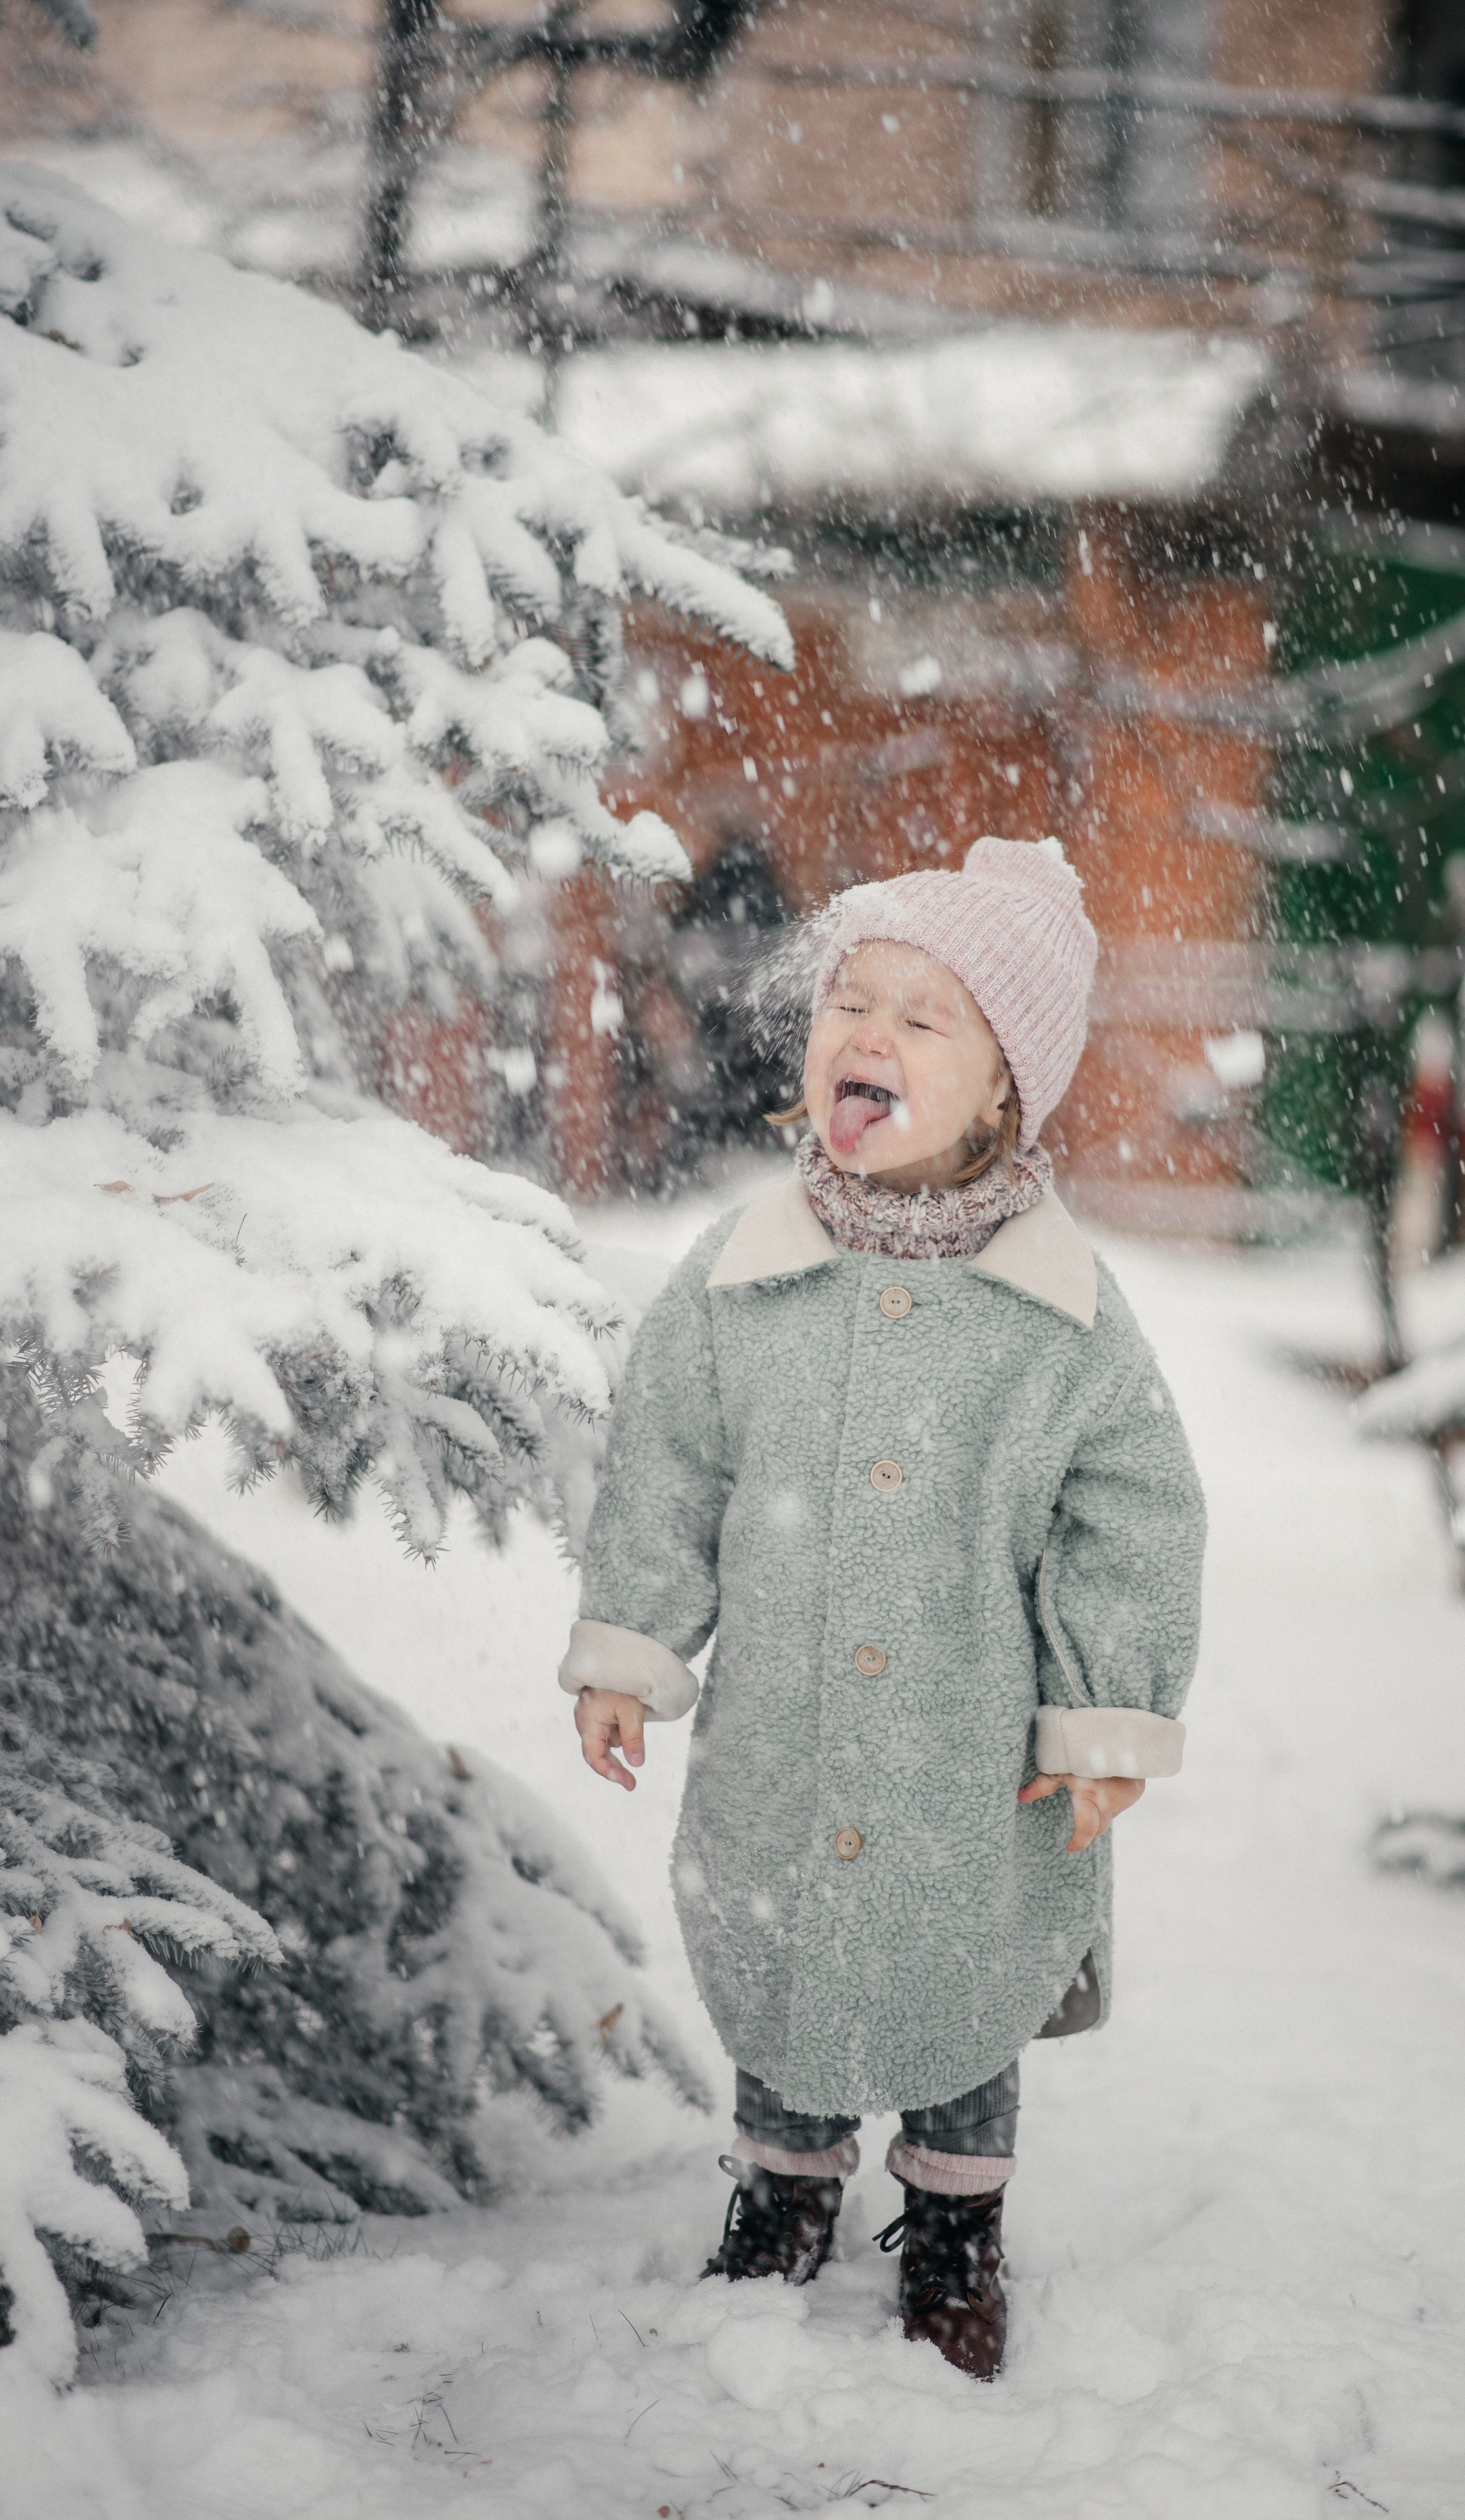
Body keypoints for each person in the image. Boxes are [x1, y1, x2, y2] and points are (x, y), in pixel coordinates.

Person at [559, 836, 1206, 2380]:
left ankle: (956, 2229)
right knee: (782, 1961)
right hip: (784, 1730)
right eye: (852, 1000)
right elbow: (666, 1463)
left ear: (1000, 1092)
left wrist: (1105, 1704)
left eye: (925, 1019)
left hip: (969, 1752)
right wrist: (633, 1648)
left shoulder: (1060, 1316)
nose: (869, 1034)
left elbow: (1136, 1508)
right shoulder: (738, 1275)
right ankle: (779, 2194)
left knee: (962, 1979)